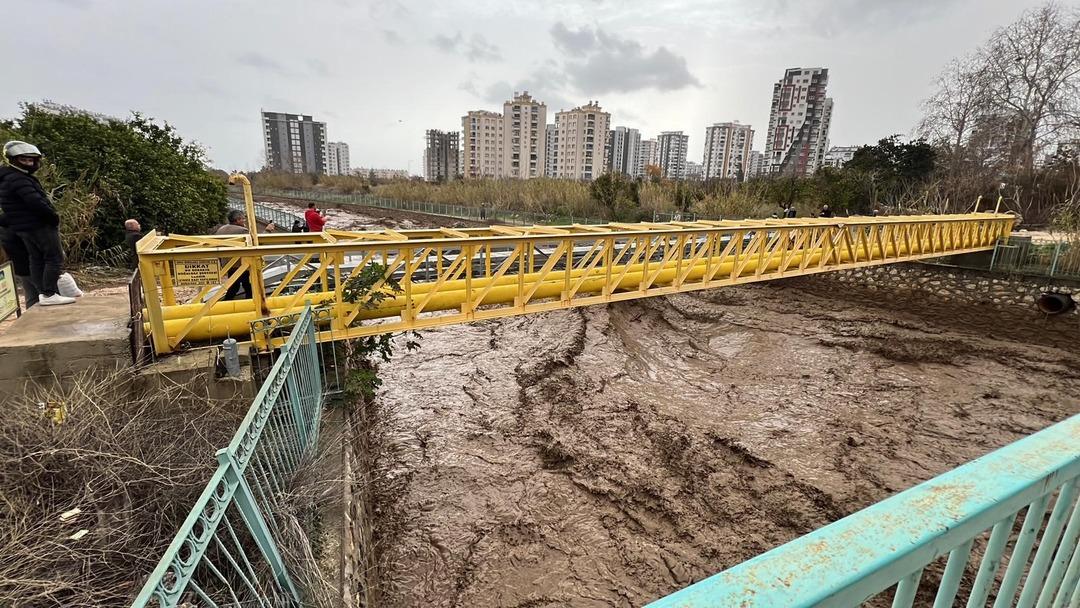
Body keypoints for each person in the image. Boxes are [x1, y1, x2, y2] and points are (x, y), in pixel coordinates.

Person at [0, 141, 74, 306]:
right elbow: (35, 202)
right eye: (24, 160)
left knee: (36, 259)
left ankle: (44, 293)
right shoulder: (18, 179)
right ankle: (49, 293)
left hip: (24, 227)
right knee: (54, 257)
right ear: (13, 160)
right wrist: (53, 217)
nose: (30, 163)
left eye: (31, 160)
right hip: (38, 225)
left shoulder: (8, 178)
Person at [215, 210, 274, 300]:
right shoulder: (241, 230)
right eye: (243, 219)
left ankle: (230, 303)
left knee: (237, 286)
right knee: (246, 286)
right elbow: (256, 243)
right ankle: (249, 305)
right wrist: (267, 230)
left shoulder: (221, 229)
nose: (244, 221)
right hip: (241, 264)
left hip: (228, 264)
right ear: (238, 220)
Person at [0, 217, 40, 308]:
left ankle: (31, 319)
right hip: (31, 265)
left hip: (19, 267)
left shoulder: (5, 226)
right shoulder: (19, 225)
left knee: (32, 296)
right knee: (46, 293)